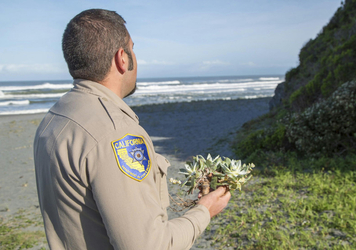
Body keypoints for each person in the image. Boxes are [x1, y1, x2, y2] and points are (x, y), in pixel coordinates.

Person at [33, 8, 231, 250]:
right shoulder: (117, 133)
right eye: (133, 48)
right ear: (122, 58)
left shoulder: (55, 117)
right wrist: (205, 211)